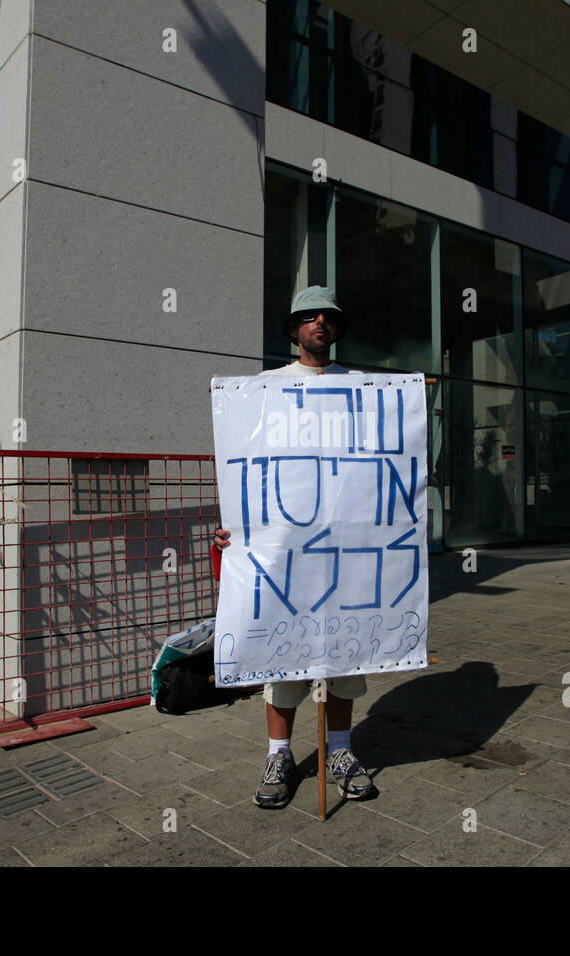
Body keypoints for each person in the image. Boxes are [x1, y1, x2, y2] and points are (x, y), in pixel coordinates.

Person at [214, 286, 377, 809]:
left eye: (328, 316)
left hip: (346, 549)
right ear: (293, 330)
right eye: (308, 318)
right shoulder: (266, 388)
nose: (319, 324)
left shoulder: (365, 388)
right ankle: (279, 754)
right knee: (282, 658)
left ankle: (341, 752)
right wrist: (236, 528)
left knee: (345, 658)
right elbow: (250, 466)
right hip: (288, 548)